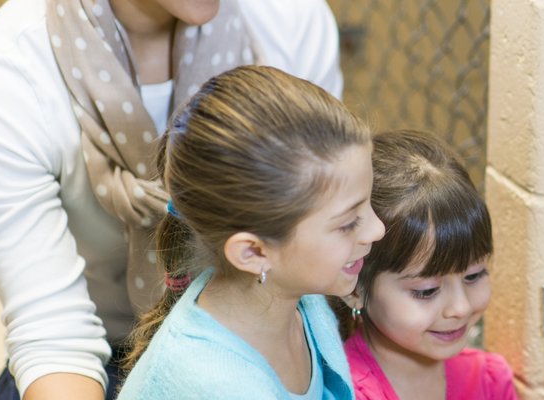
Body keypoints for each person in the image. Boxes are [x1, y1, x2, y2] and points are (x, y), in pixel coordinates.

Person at [0, 0, 342, 398]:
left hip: (260, 343)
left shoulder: (289, 19)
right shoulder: (7, 71)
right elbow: (55, 335)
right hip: (98, 363)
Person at [117, 65, 382, 398]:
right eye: (348, 222)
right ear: (253, 253)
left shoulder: (300, 298)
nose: (377, 229)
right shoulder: (217, 384)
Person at [333, 129, 517, 400]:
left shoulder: (489, 380)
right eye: (427, 291)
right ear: (355, 289)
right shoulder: (343, 392)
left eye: (474, 275)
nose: (461, 308)